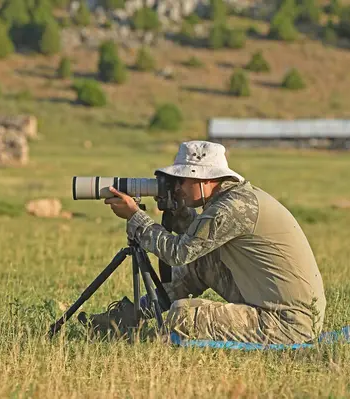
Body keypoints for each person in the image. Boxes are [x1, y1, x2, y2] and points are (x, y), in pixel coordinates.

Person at [79, 140, 326, 345]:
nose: (178, 188)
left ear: (203, 180)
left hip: (287, 323)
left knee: (182, 315)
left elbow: (178, 253)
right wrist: (178, 211)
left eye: (181, 181)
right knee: (200, 264)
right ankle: (126, 319)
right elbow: (199, 241)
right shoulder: (233, 198)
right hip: (276, 303)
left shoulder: (233, 208)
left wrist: (136, 217)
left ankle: (131, 325)